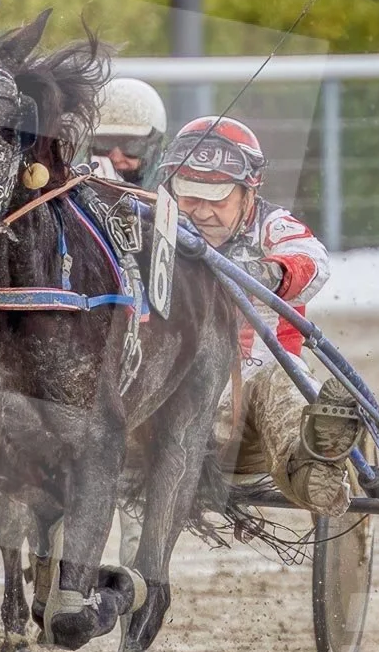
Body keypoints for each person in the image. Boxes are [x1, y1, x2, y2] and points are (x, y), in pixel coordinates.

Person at [158, 116, 360, 517]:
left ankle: (310, 467)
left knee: (285, 378)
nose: (201, 212)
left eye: (217, 198)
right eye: (190, 196)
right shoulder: (153, 225)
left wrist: (272, 272)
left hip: (250, 416)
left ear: (249, 193)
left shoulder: (273, 226)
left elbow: (312, 259)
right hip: (167, 405)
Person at [89, 78, 166, 188]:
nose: (116, 158)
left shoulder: (175, 189)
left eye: (130, 144)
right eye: (104, 143)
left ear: (153, 146)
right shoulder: (71, 187)